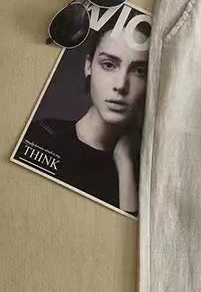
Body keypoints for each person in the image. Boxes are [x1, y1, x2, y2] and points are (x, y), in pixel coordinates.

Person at [23, 18, 148, 215]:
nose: (121, 85)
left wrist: (125, 162)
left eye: (140, 71)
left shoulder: (146, 170)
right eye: (109, 64)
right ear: (88, 66)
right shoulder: (40, 136)